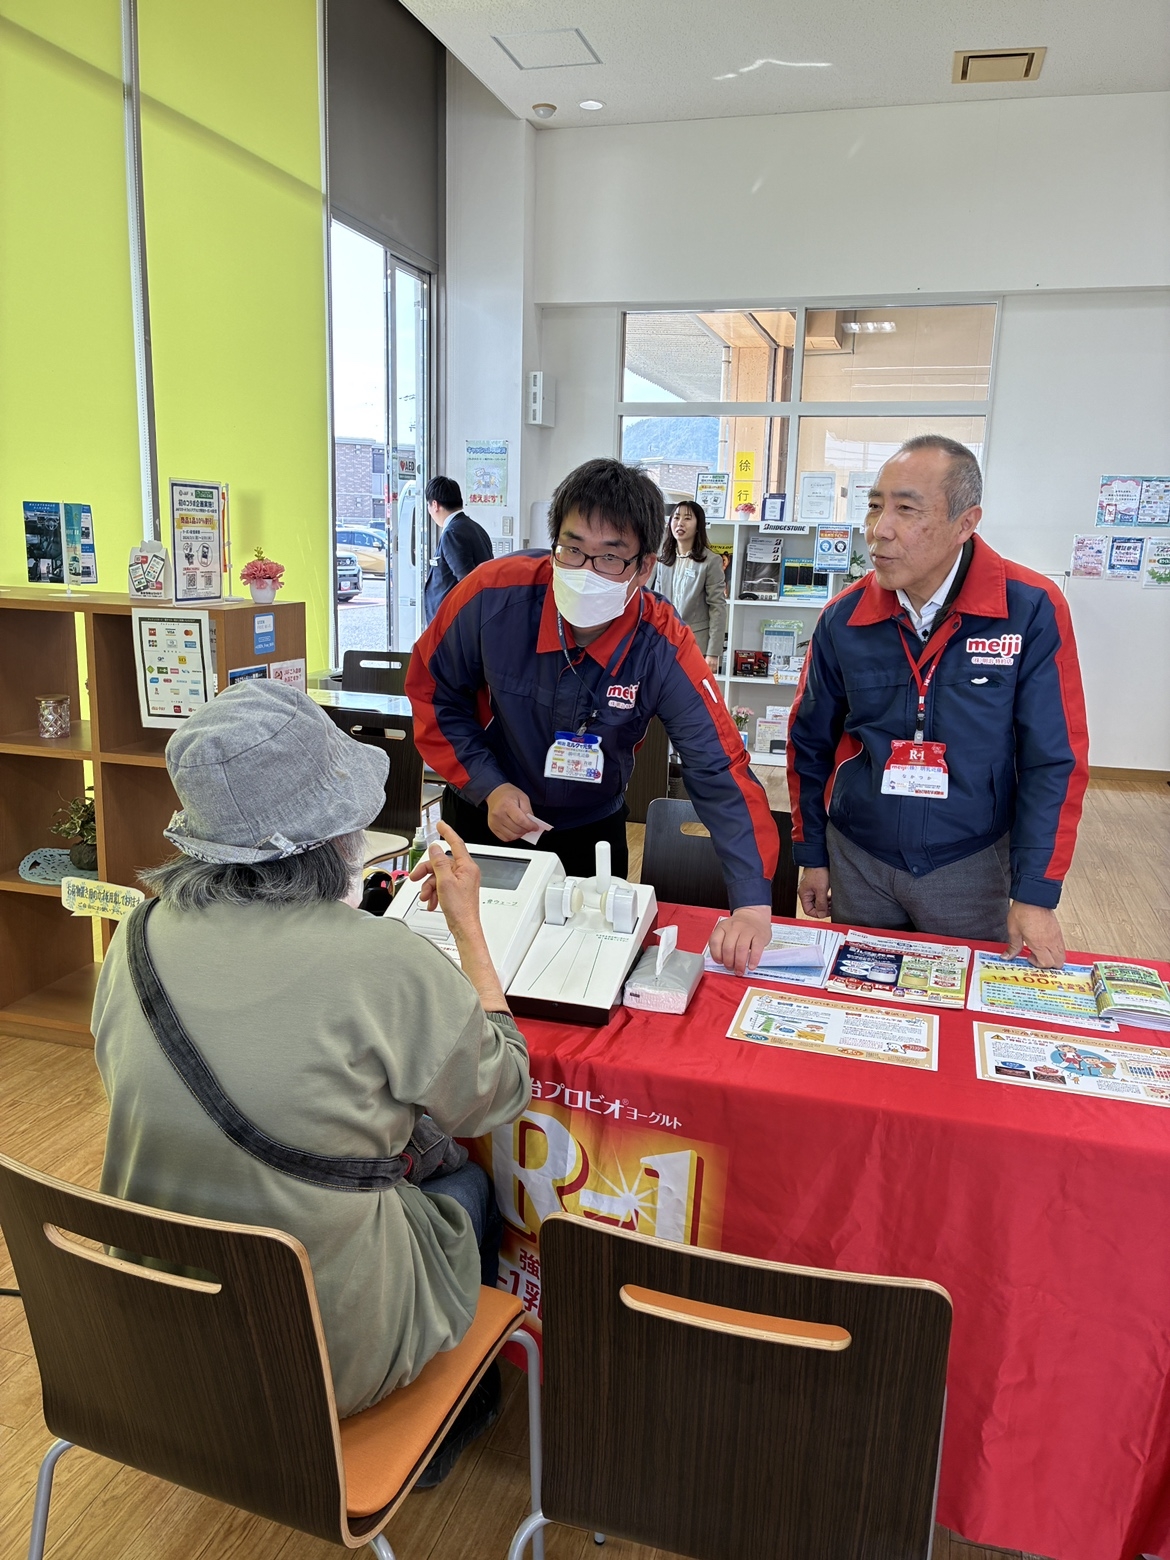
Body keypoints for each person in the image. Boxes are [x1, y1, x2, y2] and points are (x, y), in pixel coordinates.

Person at [92, 681, 530, 1479]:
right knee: (467, 1188)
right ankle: (438, 1432)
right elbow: (500, 1092)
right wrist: (468, 927)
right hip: (325, 1353)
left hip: (155, 1332)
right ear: (334, 833)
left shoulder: (135, 937)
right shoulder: (378, 959)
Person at [406, 457, 779, 974]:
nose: (584, 571)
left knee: (574, 975)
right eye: (572, 549)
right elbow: (433, 690)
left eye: (609, 558)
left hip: (589, 834)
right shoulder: (493, 594)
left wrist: (753, 905)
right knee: (457, 977)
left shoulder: (662, 644)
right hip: (481, 821)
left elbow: (719, 766)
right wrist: (487, 785)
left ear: (645, 566)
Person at [786, 435, 1089, 968]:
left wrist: (1036, 892)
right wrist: (812, 854)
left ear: (965, 523)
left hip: (969, 862)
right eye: (875, 505)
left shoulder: (1030, 608)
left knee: (960, 1017)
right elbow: (809, 743)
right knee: (865, 1010)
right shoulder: (843, 619)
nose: (879, 529)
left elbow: (1054, 758)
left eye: (906, 509)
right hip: (860, 856)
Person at [652, 499, 728, 672]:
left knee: (691, 697)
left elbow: (718, 607)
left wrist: (713, 652)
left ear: (698, 525)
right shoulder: (663, 561)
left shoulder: (711, 561)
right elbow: (656, 605)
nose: (680, 523)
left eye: (687, 518)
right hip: (664, 643)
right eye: (676, 517)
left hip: (696, 645)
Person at [423, 475, 493, 622]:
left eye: (428, 506)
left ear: (435, 505)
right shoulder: (476, 528)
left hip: (453, 622)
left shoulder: (452, 533)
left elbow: (467, 582)